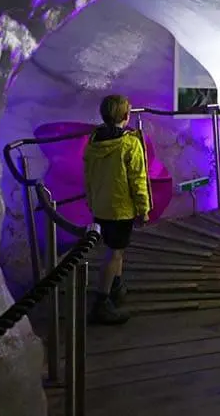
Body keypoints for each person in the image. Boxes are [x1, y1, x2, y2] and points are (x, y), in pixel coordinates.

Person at [83, 94, 151, 325]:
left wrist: (91, 201)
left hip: (101, 206)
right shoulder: (129, 143)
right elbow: (138, 180)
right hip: (121, 209)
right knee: (114, 253)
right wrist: (144, 208)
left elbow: (89, 175)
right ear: (125, 115)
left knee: (116, 249)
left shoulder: (94, 140)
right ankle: (101, 303)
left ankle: (116, 286)